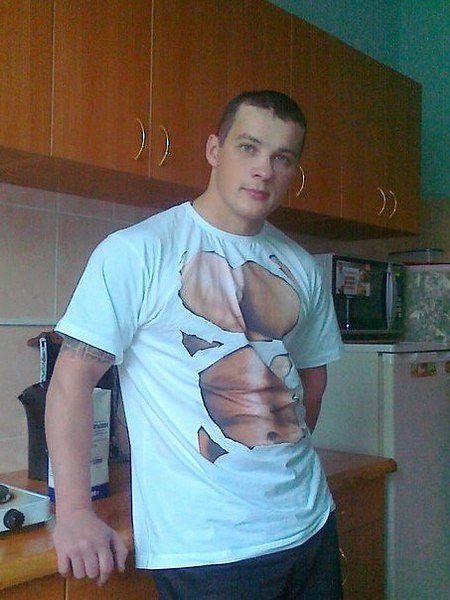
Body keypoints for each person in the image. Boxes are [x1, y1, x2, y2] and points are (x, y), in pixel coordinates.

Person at [45, 90, 343, 599]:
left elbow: (313, 377)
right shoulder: (138, 251)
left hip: (310, 522)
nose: (264, 170)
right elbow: (71, 383)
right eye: (248, 147)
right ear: (214, 150)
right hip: (209, 549)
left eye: (282, 157)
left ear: (293, 171)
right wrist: (74, 512)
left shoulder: (299, 265)